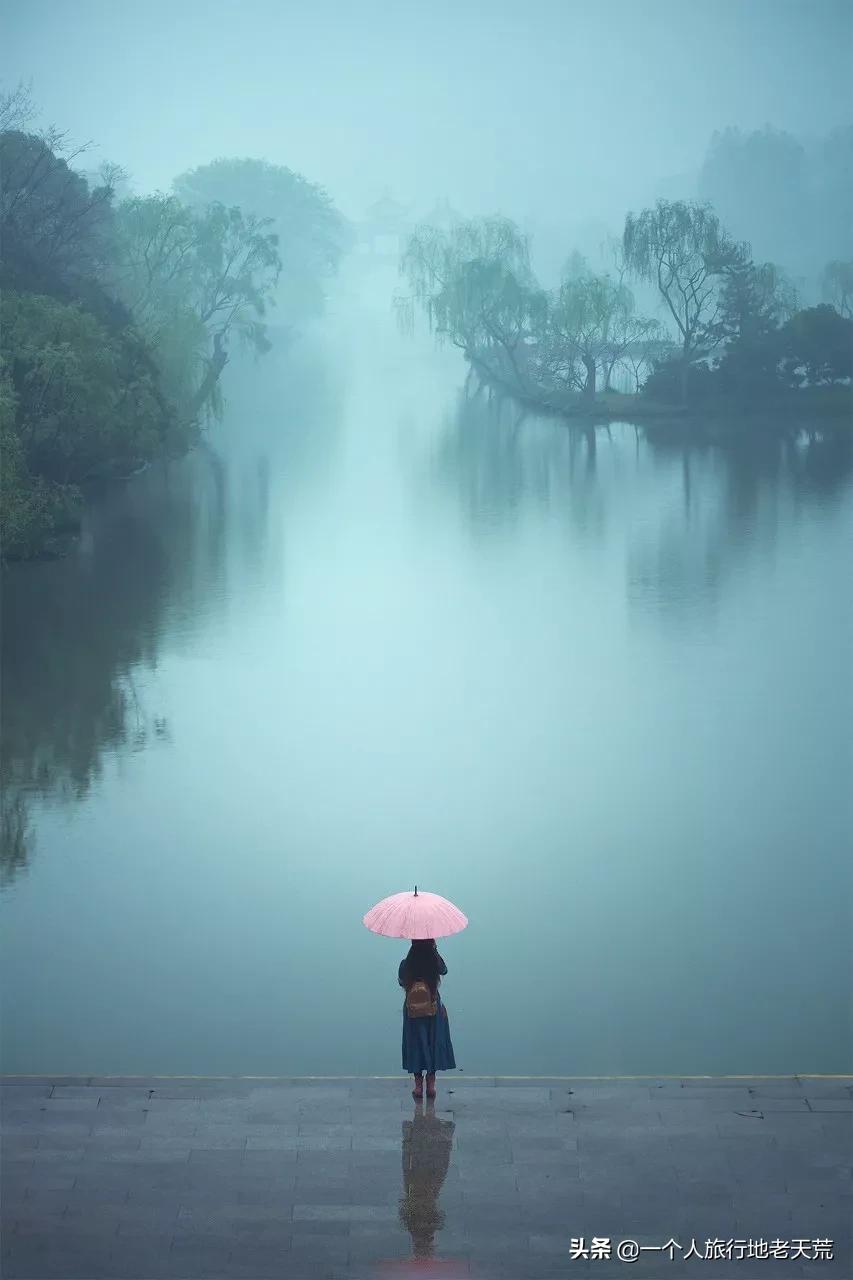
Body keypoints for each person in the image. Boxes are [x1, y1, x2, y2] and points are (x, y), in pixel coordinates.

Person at [398, 937, 456, 1100]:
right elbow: (444, 970)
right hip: (433, 1006)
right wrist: (435, 949)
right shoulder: (434, 962)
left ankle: (418, 1086)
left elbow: (402, 981)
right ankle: (431, 1085)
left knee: (415, 1043)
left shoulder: (406, 963)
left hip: (413, 1009)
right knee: (433, 1042)